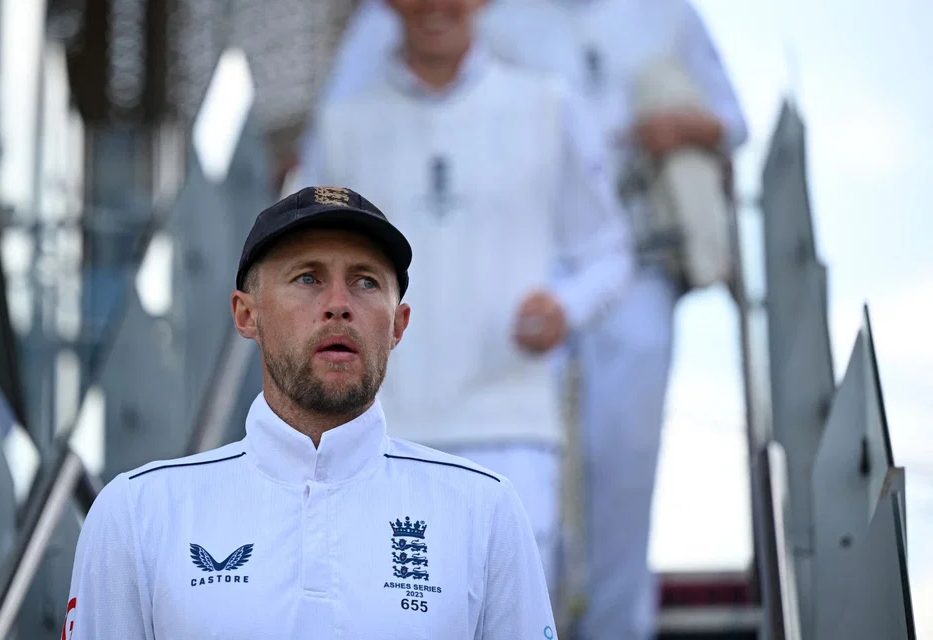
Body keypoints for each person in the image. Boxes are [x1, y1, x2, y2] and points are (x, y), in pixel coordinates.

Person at [309, 1, 748, 638]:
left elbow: (729, 122)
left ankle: (614, 627)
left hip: (622, 261)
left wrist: (683, 128)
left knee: (622, 463)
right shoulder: (364, 103)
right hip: (474, 308)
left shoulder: (656, 17)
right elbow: (338, 142)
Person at [62, 186, 558, 640]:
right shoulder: (138, 513)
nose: (338, 305)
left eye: (365, 282)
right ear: (246, 314)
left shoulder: (484, 511)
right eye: (307, 277)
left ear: (398, 325)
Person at [290, 0, 634, 607]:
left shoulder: (549, 105)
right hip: (372, 431)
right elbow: (297, 267)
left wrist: (566, 309)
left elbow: (609, 252)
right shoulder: (343, 125)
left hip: (512, 429)